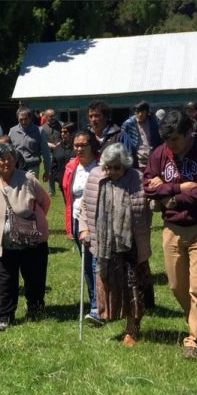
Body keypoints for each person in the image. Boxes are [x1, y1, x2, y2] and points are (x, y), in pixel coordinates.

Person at [143, 109, 197, 358]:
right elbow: (148, 186)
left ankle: (193, 340)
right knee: (177, 286)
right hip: (172, 228)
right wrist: (180, 187)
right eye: (167, 141)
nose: (171, 146)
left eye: (175, 140)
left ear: (189, 133)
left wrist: (172, 197)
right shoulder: (160, 153)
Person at [78, 143, 152, 346]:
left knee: (132, 288)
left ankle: (132, 329)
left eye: (117, 167)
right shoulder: (95, 177)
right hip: (104, 245)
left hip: (131, 245)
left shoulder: (136, 178)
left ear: (125, 166)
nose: (112, 171)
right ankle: (110, 315)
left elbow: (150, 203)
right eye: (108, 167)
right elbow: (85, 204)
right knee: (108, 284)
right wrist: (83, 229)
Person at [0, 142, 51, 331]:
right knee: (5, 280)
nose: (6, 162)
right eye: (2, 159)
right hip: (3, 243)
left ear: (15, 159)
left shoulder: (28, 179)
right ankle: (5, 315)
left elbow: (45, 202)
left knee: (34, 277)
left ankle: (35, 309)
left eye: (10, 158)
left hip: (31, 241)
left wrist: (32, 221)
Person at [62, 129, 102, 324]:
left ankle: (98, 306)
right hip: (78, 219)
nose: (79, 148)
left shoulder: (101, 166)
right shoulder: (71, 167)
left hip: (99, 221)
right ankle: (94, 302)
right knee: (87, 264)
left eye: (83, 145)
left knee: (97, 263)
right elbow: (67, 196)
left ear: (92, 145)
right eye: (76, 145)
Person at [8, 106, 51, 179]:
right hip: (16, 168)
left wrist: (47, 171)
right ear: (17, 118)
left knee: (30, 190)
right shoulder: (12, 131)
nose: (24, 122)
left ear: (30, 118)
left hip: (32, 168)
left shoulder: (39, 131)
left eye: (26, 119)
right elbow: (8, 151)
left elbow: (46, 152)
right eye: (21, 119)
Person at [120, 101, 163, 170]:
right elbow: (122, 142)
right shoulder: (128, 124)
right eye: (137, 112)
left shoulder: (154, 122)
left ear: (146, 112)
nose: (139, 114)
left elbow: (160, 139)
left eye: (142, 111)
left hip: (152, 159)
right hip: (135, 161)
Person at [50, 123, 75, 201]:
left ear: (72, 133)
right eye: (61, 132)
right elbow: (53, 165)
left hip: (76, 182)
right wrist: (59, 178)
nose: (63, 134)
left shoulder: (77, 148)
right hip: (63, 182)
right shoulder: (58, 148)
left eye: (65, 132)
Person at [41, 109, 62, 194]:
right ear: (46, 117)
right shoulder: (43, 128)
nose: (53, 117)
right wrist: (50, 144)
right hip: (49, 152)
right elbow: (42, 140)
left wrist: (60, 143)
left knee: (61, 169)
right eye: (51, 116)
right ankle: (51, 190)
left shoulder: (59, 125)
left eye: (54, 115)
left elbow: (63, 135)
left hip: (60, 150)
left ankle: (63, 187)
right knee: (50, 170)